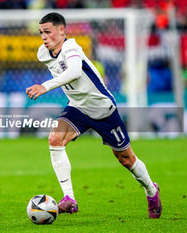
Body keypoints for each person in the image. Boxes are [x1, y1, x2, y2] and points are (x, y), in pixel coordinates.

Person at [26, 12, 162, 219]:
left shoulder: (71, 47)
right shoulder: (43, 53)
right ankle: (69, 199)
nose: (44, 37)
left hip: (102, 109)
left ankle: (151, 191)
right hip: (78, 107)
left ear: (62, 31)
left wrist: (45, 87)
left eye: (48, 32)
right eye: (41, 33)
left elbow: (74, 72)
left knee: (126, 159)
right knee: (54, 138)